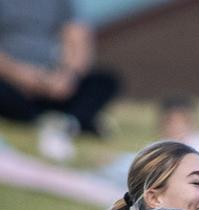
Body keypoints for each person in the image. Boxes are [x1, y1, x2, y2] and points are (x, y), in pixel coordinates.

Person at [0, 0, 118, 161]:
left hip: (55, 80)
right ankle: (74, 121)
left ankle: (67, 122)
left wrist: (69, 76)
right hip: (12, 81)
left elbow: (78, 39)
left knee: (105, 81)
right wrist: (24, 76)